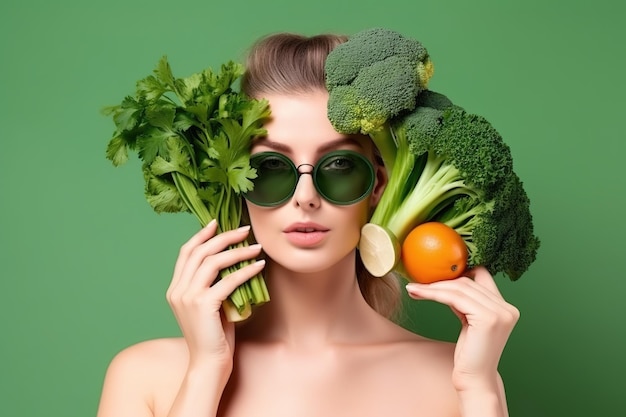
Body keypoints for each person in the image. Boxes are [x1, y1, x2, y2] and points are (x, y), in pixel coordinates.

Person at [96, 32, 519, 417]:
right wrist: (205, 372)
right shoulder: (145, 377)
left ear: (379, 185)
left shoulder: (457, 379)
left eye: (338, 165)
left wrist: (479, 389)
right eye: (270, 168)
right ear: (233, 184)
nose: (305, 197)